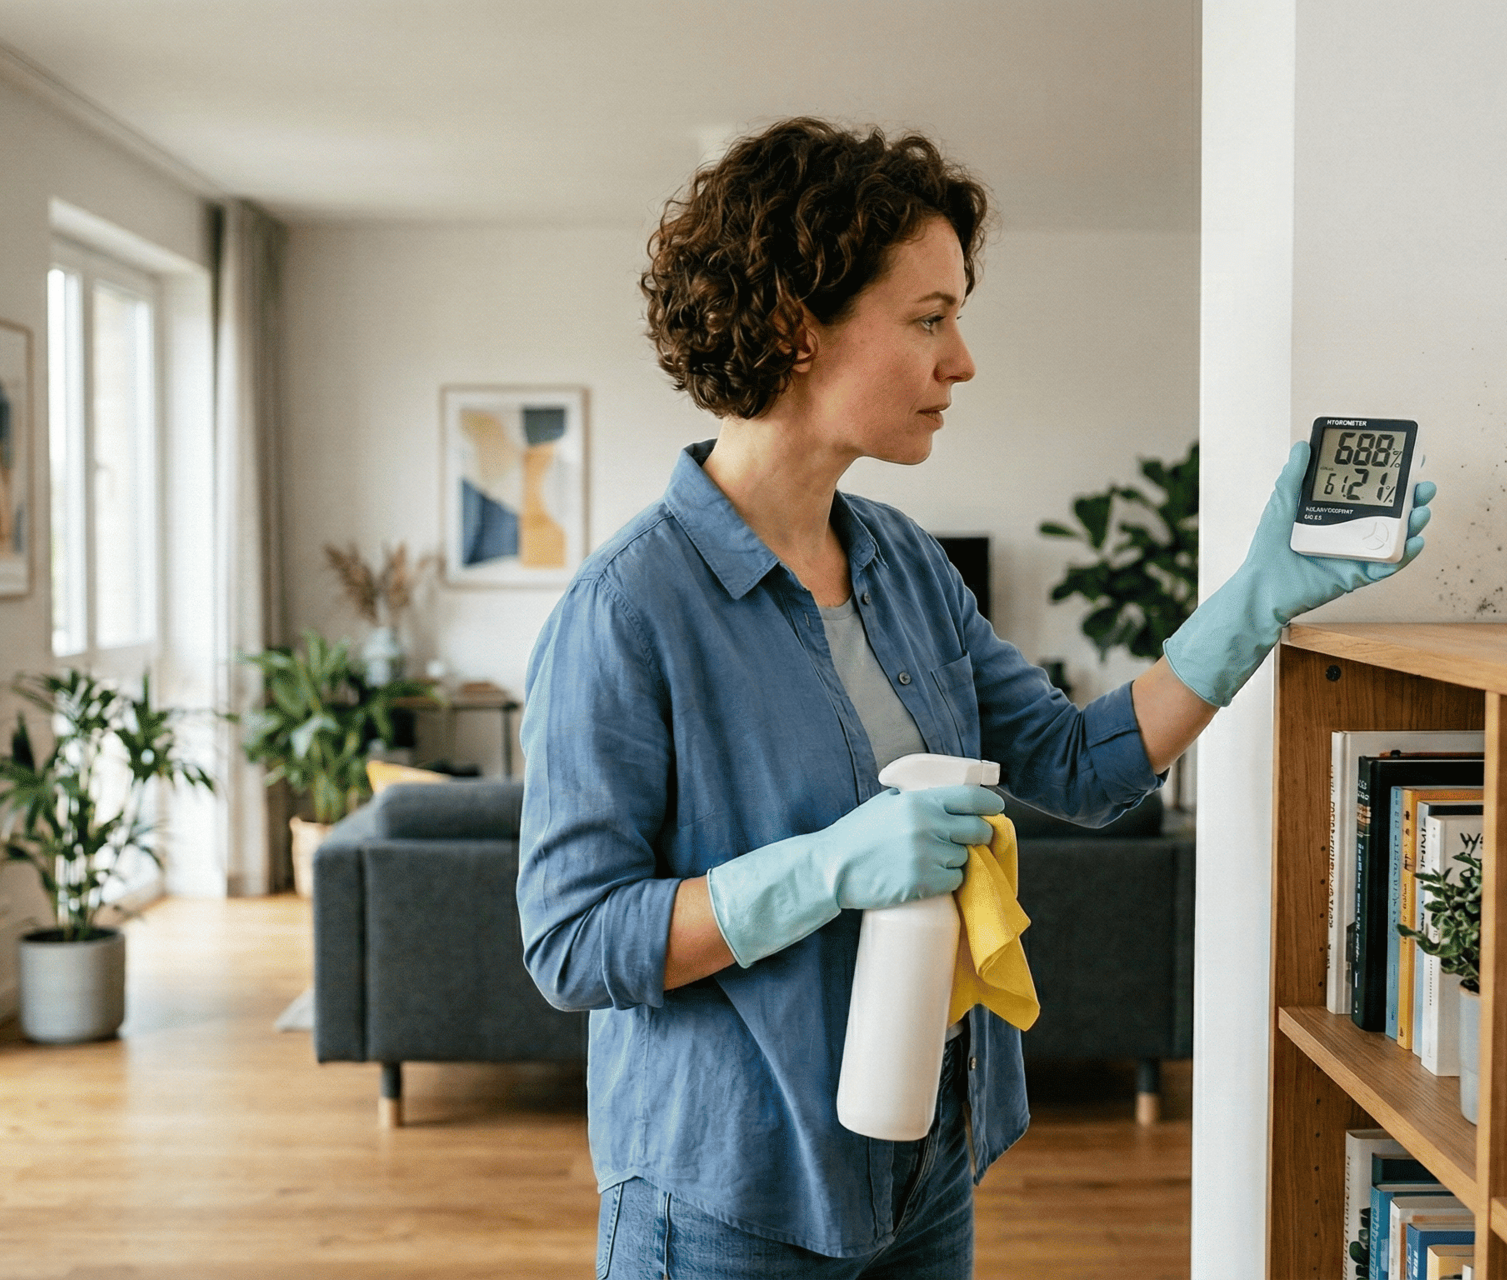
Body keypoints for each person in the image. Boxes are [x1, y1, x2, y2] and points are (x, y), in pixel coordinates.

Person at [517, 117, 1435, 1279]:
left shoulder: (904, 564)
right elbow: (571, 940)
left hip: (926, 1169)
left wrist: (1259, 596)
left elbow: (1085, 765)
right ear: (798, 327)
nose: (962, 361)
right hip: (730, 1198)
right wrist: (827, 867)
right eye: (929, 319)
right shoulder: (628, 608)